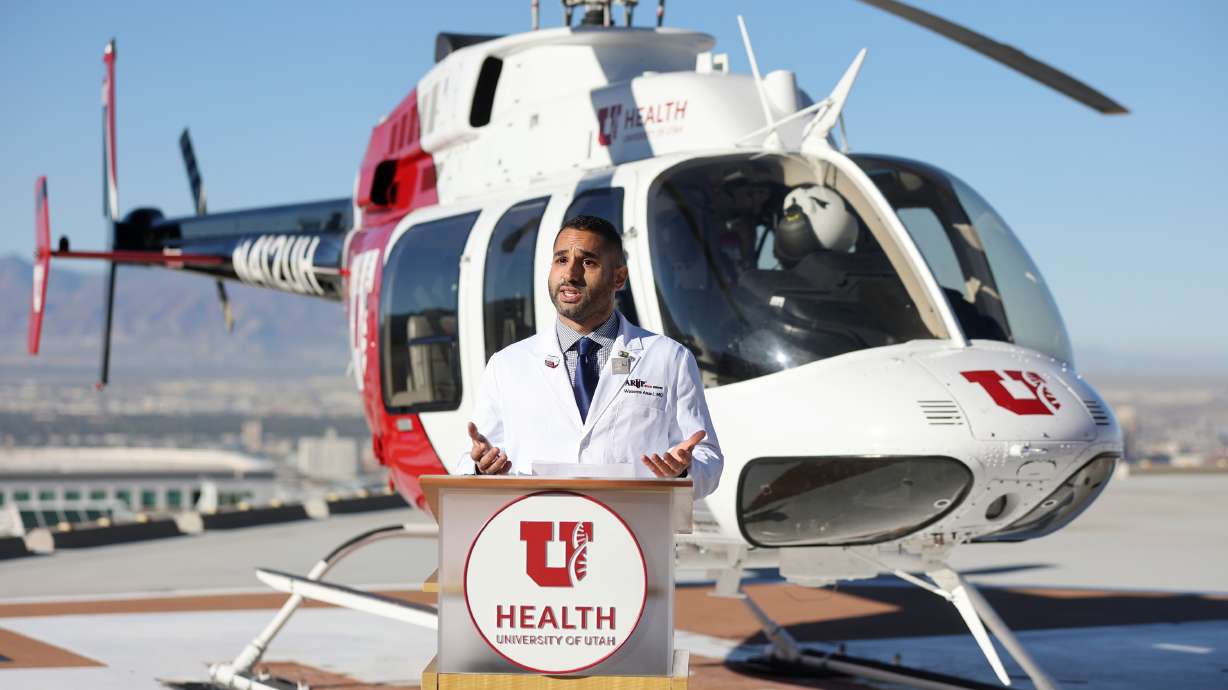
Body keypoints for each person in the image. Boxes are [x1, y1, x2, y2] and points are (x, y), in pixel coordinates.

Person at [455, 214, 723, 498]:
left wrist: (682, 471)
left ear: (618, 278)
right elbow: (468, 462)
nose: (570, 274)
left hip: (634, 533)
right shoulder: (507, 365)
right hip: (540, 535)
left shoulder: (669, 358)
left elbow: (709, 460)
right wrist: (482, 468)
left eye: (588, 262)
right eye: (561, 260)